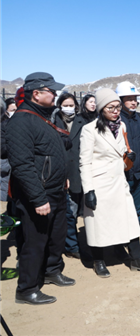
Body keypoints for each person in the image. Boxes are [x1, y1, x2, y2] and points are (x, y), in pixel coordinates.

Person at [6, 72, 75, 305]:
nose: (55, 94)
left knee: (56, 237)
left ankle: (52, 271)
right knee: (35, 243)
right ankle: (26, 289)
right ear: (36, 94)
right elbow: (23, 165)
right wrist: (37, 198)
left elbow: (52, 153)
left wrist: (63, 177)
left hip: (56, 191)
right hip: (38, 196)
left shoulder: (44, 117)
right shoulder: (22, 121)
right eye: (51, 91)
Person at [79, 88, 140, 278]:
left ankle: (137, 259)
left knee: (129, 220)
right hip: (99, 184)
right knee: (98, 223)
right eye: (110, 107)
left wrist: (127, 158)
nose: (115, 111)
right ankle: (99, 261)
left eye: (117, 107)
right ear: (101, 109)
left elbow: (119, 152)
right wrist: (88, 190)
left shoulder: (122, 126)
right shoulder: (89, 130)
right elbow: (85, 161)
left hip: (119, 182)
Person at [116, 81, 140, 254]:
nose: (133, 102)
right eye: (129, 99)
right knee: (120, 209)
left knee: (137, 209)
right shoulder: (115, 120)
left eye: (135, 98)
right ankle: (118, 241)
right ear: (120, 100)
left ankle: (133, 242)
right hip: (121, 174)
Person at [63, 93, 97, 259]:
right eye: (90, 101)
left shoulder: (99, 120)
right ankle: (71, 245)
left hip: (94, 174)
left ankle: (95, 242)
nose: (93, 104)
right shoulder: (78, 121)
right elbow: (71, 148)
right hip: (75, 173)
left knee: (92, 211)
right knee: (72, 211)